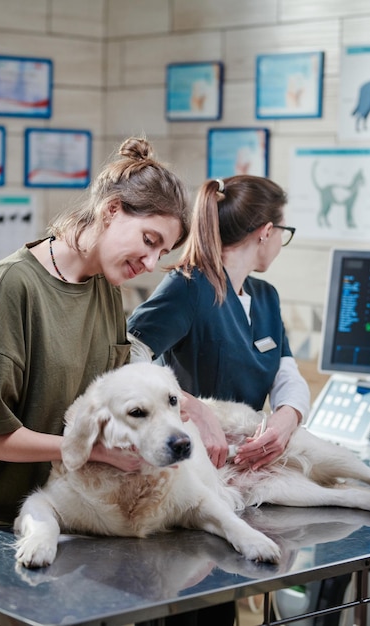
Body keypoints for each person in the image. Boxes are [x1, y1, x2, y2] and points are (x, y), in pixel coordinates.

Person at [0, 136, 190, 529]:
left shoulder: (108, 289)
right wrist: (96, 452)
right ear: (112, 210)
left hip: (77, 512)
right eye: (149, 241)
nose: (149, 263)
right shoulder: (14, 286)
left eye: (161, 254)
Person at [128, 174, 310, 626]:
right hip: (185, 480)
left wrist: (287, 419)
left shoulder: (265, 297)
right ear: (266, 232)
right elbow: (128, 355)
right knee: (184, 603)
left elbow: (286, 373)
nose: (279, 243)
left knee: (222, 603)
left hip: (240, 480)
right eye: (282, 234)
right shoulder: (187, 289)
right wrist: (192, 406)